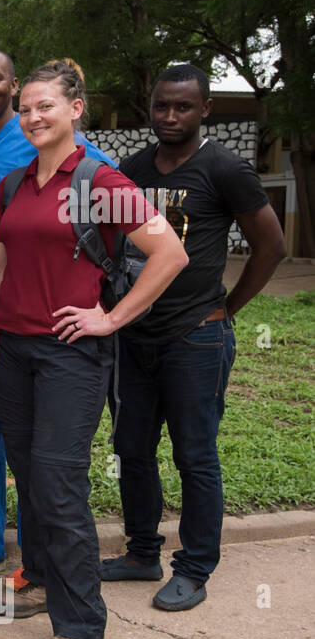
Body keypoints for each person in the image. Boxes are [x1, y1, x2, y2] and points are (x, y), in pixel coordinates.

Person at [0, 59, 187, 639]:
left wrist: (111, 319)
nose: (34, 117)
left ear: (75, 110)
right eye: (27, 108)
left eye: (46, 107)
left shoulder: (99, 181)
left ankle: (82, 623)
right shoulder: (13, 184)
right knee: (30, 479)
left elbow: (170, 252)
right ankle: (36, 579)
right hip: (11, 352)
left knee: (59, 485)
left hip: (72, 356)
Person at [102, 64, 285, 610]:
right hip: (135, 337)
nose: (170, 116)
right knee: (131, 449)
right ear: (150, 108)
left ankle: (195, 568)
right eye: (162, 105)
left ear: (205, 110)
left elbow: (269, 247)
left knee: (195, 455)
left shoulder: (226, 169)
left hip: (195, 339)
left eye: (183, 106)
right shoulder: (133, 169)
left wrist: (227, 307)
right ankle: (141, 553)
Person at [0, 49, 115, 586]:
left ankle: (42, 560)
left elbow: (119, 212)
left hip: (42, 317)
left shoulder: (53, 140)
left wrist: (107, 308)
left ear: (14, 85)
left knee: (42, 448)